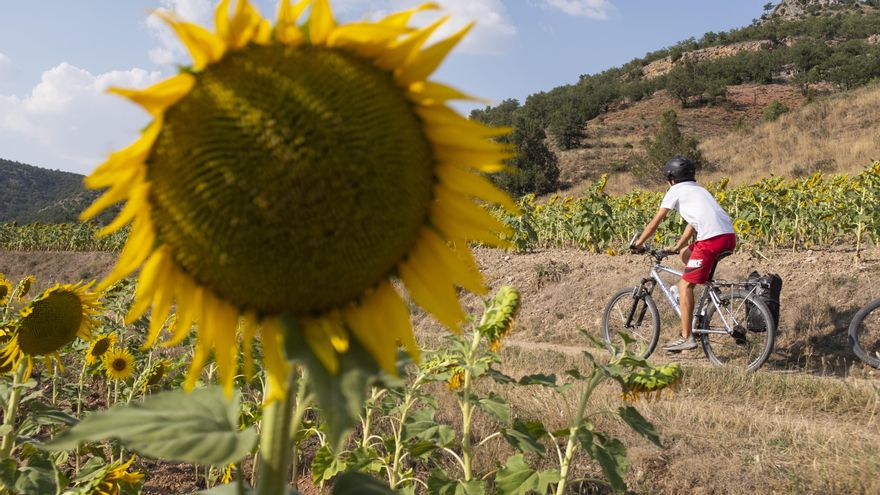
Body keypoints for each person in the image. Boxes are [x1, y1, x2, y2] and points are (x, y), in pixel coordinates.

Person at [630, 156, 736, 352]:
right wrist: (678, 245)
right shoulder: (700, 190)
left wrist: (639, 243)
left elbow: (656, 221)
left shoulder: (675, 191)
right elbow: (693, 222)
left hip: (711, 240)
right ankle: (704, 300)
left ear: (671, 178)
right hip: (728, 237)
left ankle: (686, 337)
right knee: (685, 254)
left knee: (684, 285)